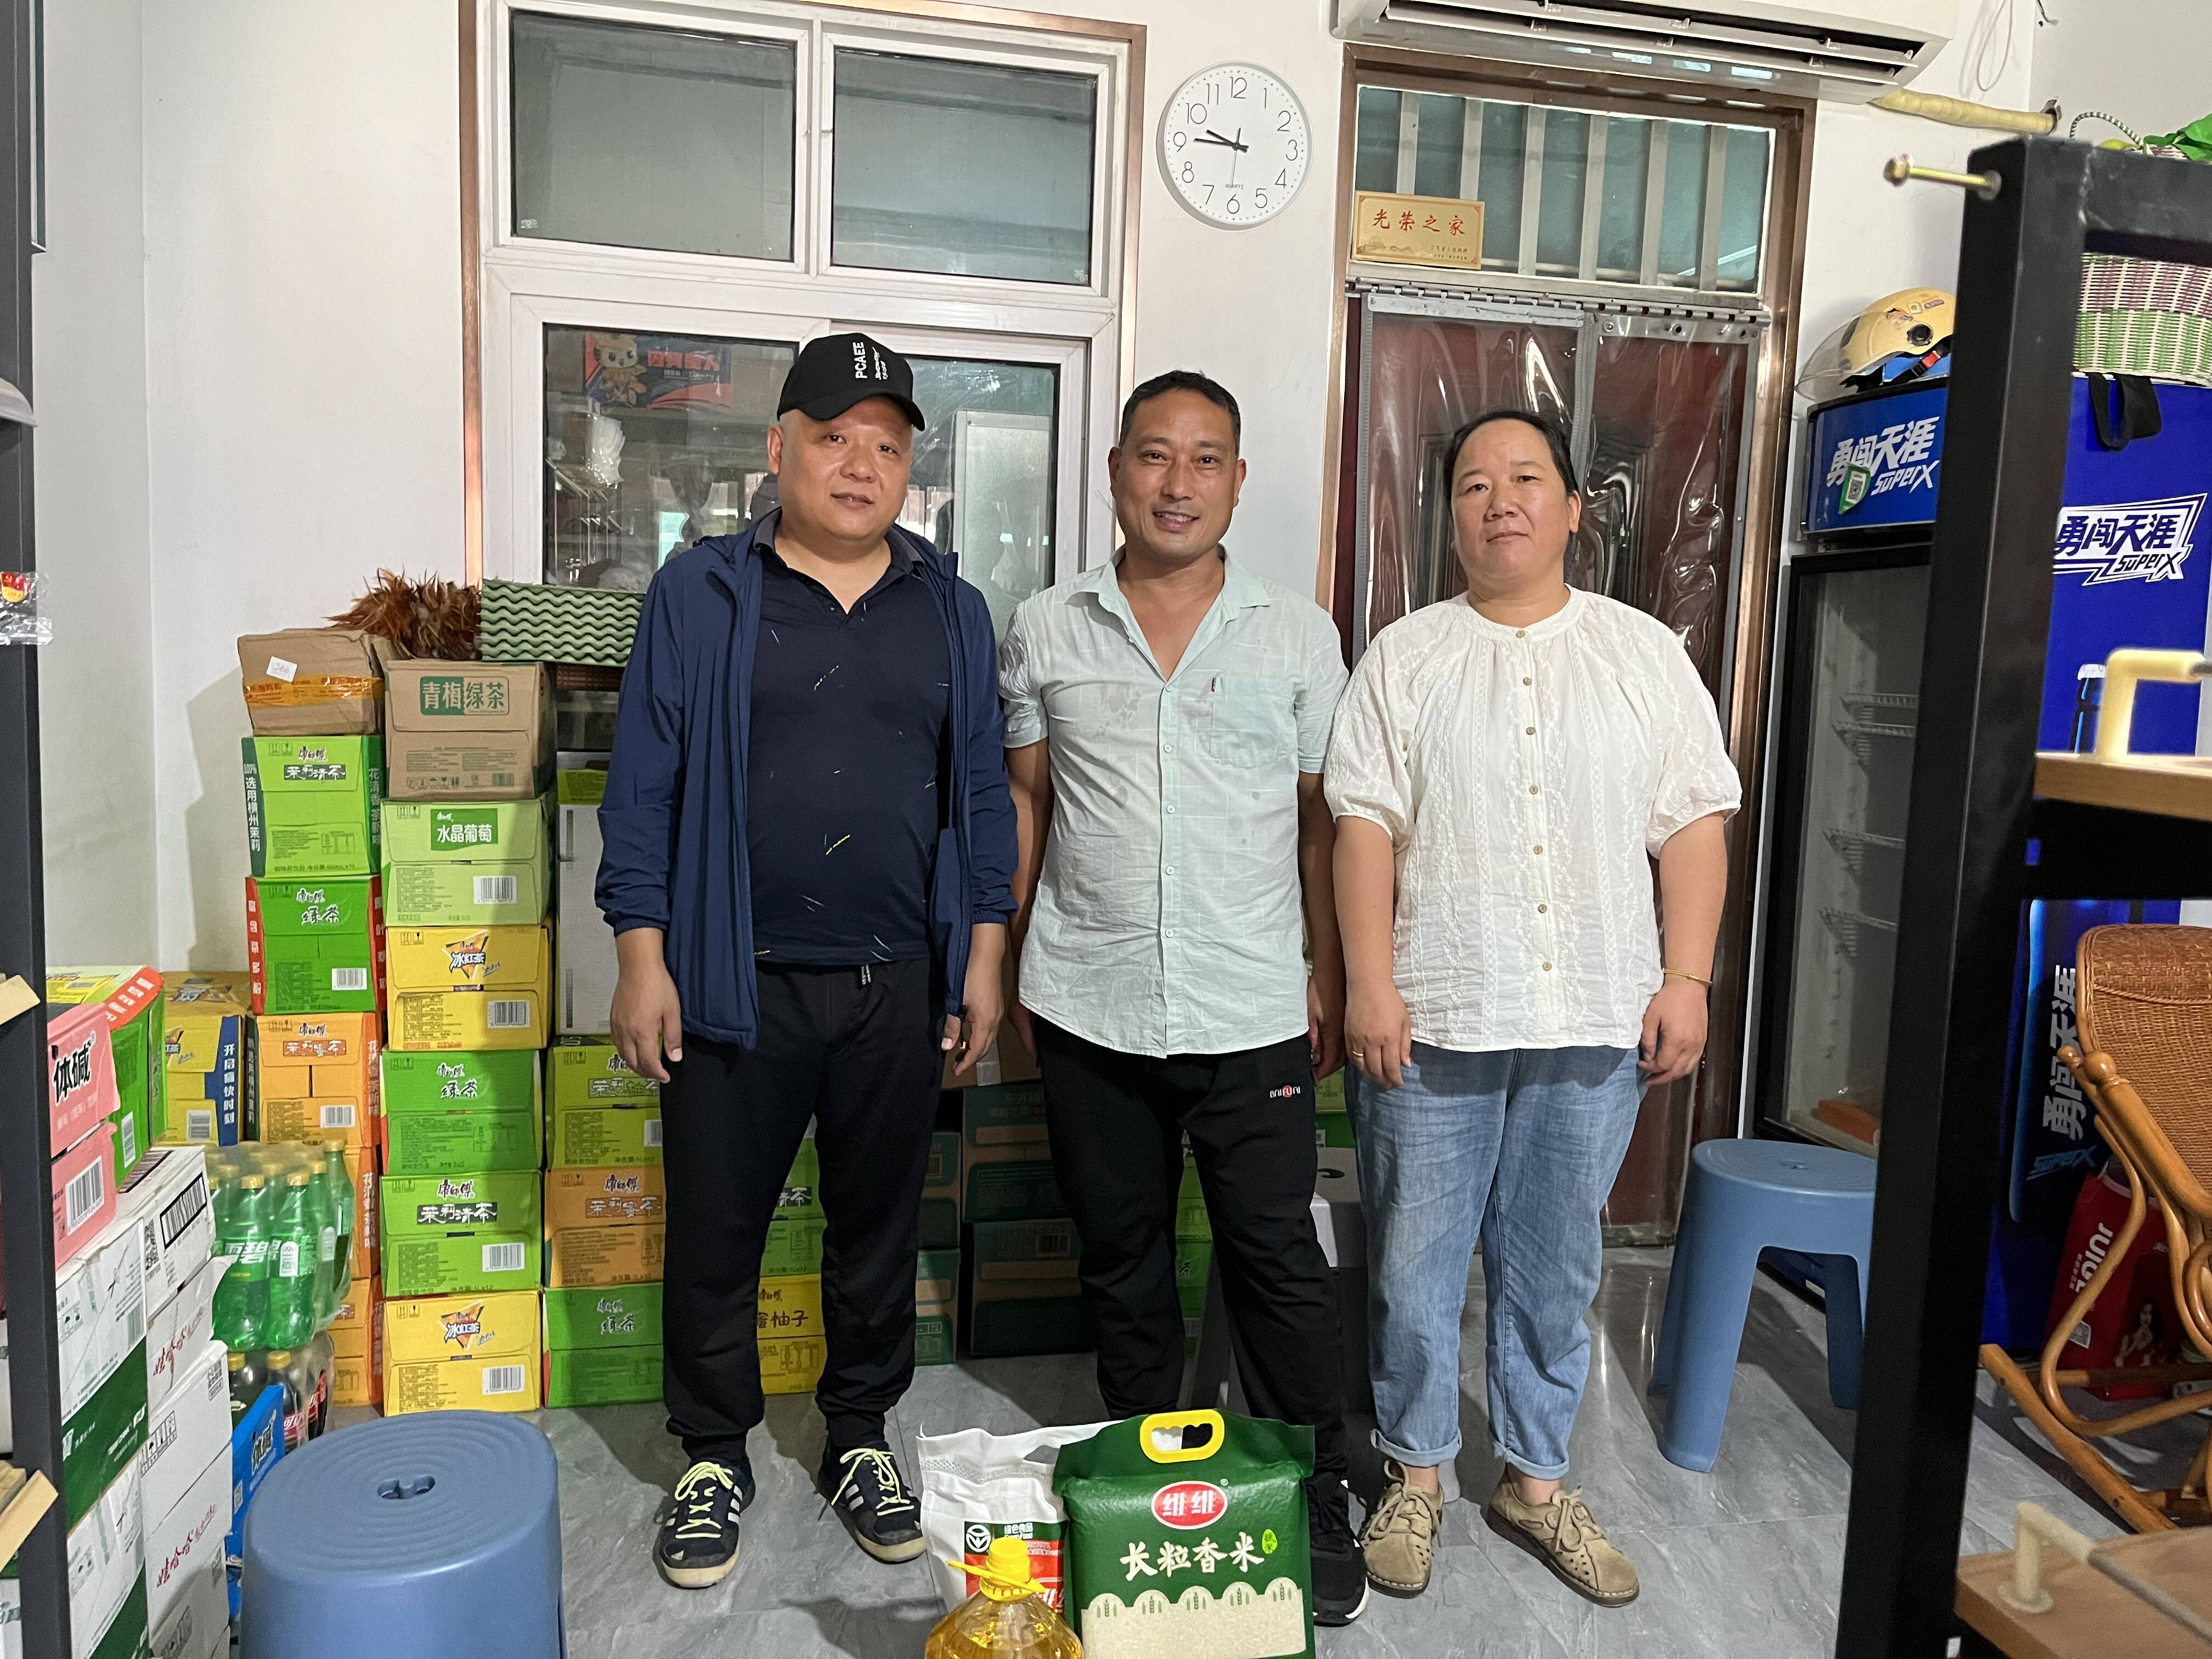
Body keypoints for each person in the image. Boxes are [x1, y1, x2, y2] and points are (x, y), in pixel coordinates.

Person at [597, 332, 1017, 1588]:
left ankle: (859, 1436)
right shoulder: (701, 595)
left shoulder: (951, 610)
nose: (860, 464)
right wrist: (640, 956)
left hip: (898, 981)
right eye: (835, 438)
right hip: (733, 979)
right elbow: (644, 787)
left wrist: (984, 952)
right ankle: (712, 1453)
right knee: (716, 1228)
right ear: (779, 448)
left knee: (875, 1230)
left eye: (886, 445)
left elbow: (981, 792)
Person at [1327, 408, 1740, 1609]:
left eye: (1523, 479)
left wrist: (1687, 977)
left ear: (1573, 508)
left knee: (1556, 1266)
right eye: (1472, 485)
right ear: (1450, 515)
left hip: (1596, 1013)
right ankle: (1416, 1474)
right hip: (1436, 1013)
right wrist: (1369, 984)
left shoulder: (1643, 653)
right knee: (1414, 1264)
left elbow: (1693, 823)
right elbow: (1363, 828)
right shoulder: (1405, 657)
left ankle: (1536, 1481)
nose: (1498, 501)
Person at [999, 369, 1368, 1627]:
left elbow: (1321, 826)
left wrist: (1328, 973)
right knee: (1123, 1260)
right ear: (1116, 472)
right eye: (1154, 455)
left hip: (1252, 1002)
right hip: (1087, 998)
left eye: (1204, 459)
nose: (1177, 482)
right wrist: (1006, 962)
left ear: (1238, 482)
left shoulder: (1298, 636)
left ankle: (1318, 1487)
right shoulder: (1047, 626)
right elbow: (1029, 802)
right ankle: (1149, 1484)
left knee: (1275, 1258)